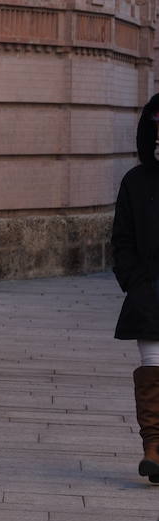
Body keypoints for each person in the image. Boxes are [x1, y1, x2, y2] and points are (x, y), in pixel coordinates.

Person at [112, 94, 159, 483]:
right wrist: (135, 282)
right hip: (149, 294)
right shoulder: (136, 181)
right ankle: (153, 448)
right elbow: (122, 241)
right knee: (152, 367)